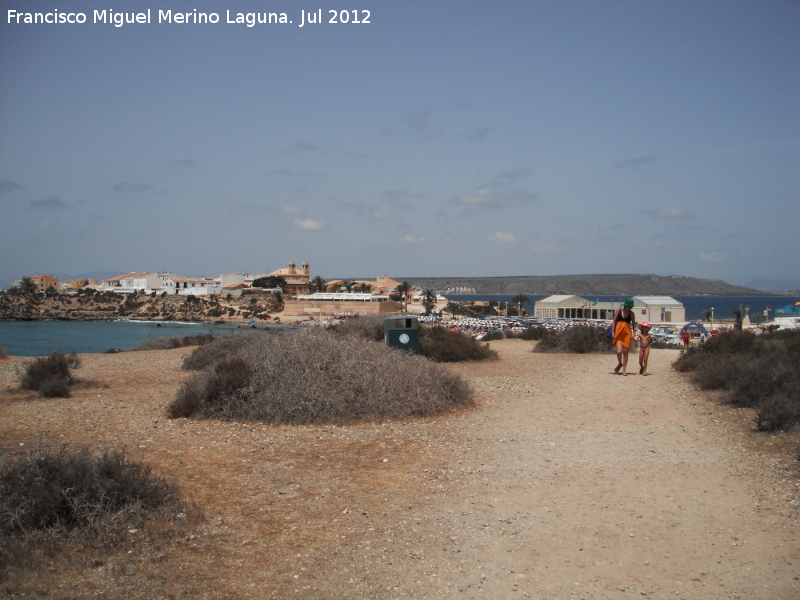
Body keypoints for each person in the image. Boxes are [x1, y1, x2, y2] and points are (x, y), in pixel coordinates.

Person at [612, 298, 636, 376]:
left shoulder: (631, 314)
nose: (629, 308)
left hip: (627, 333)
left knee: (625, 352)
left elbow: (634, 324)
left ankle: (624, 370)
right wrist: (613, 331)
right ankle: (620, 363)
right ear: (625, 305)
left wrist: (634, 334)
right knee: (619, 351)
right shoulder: (619, 311)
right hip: (618, 332)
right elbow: (614, 321)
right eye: (628, 306)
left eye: (630, 307)